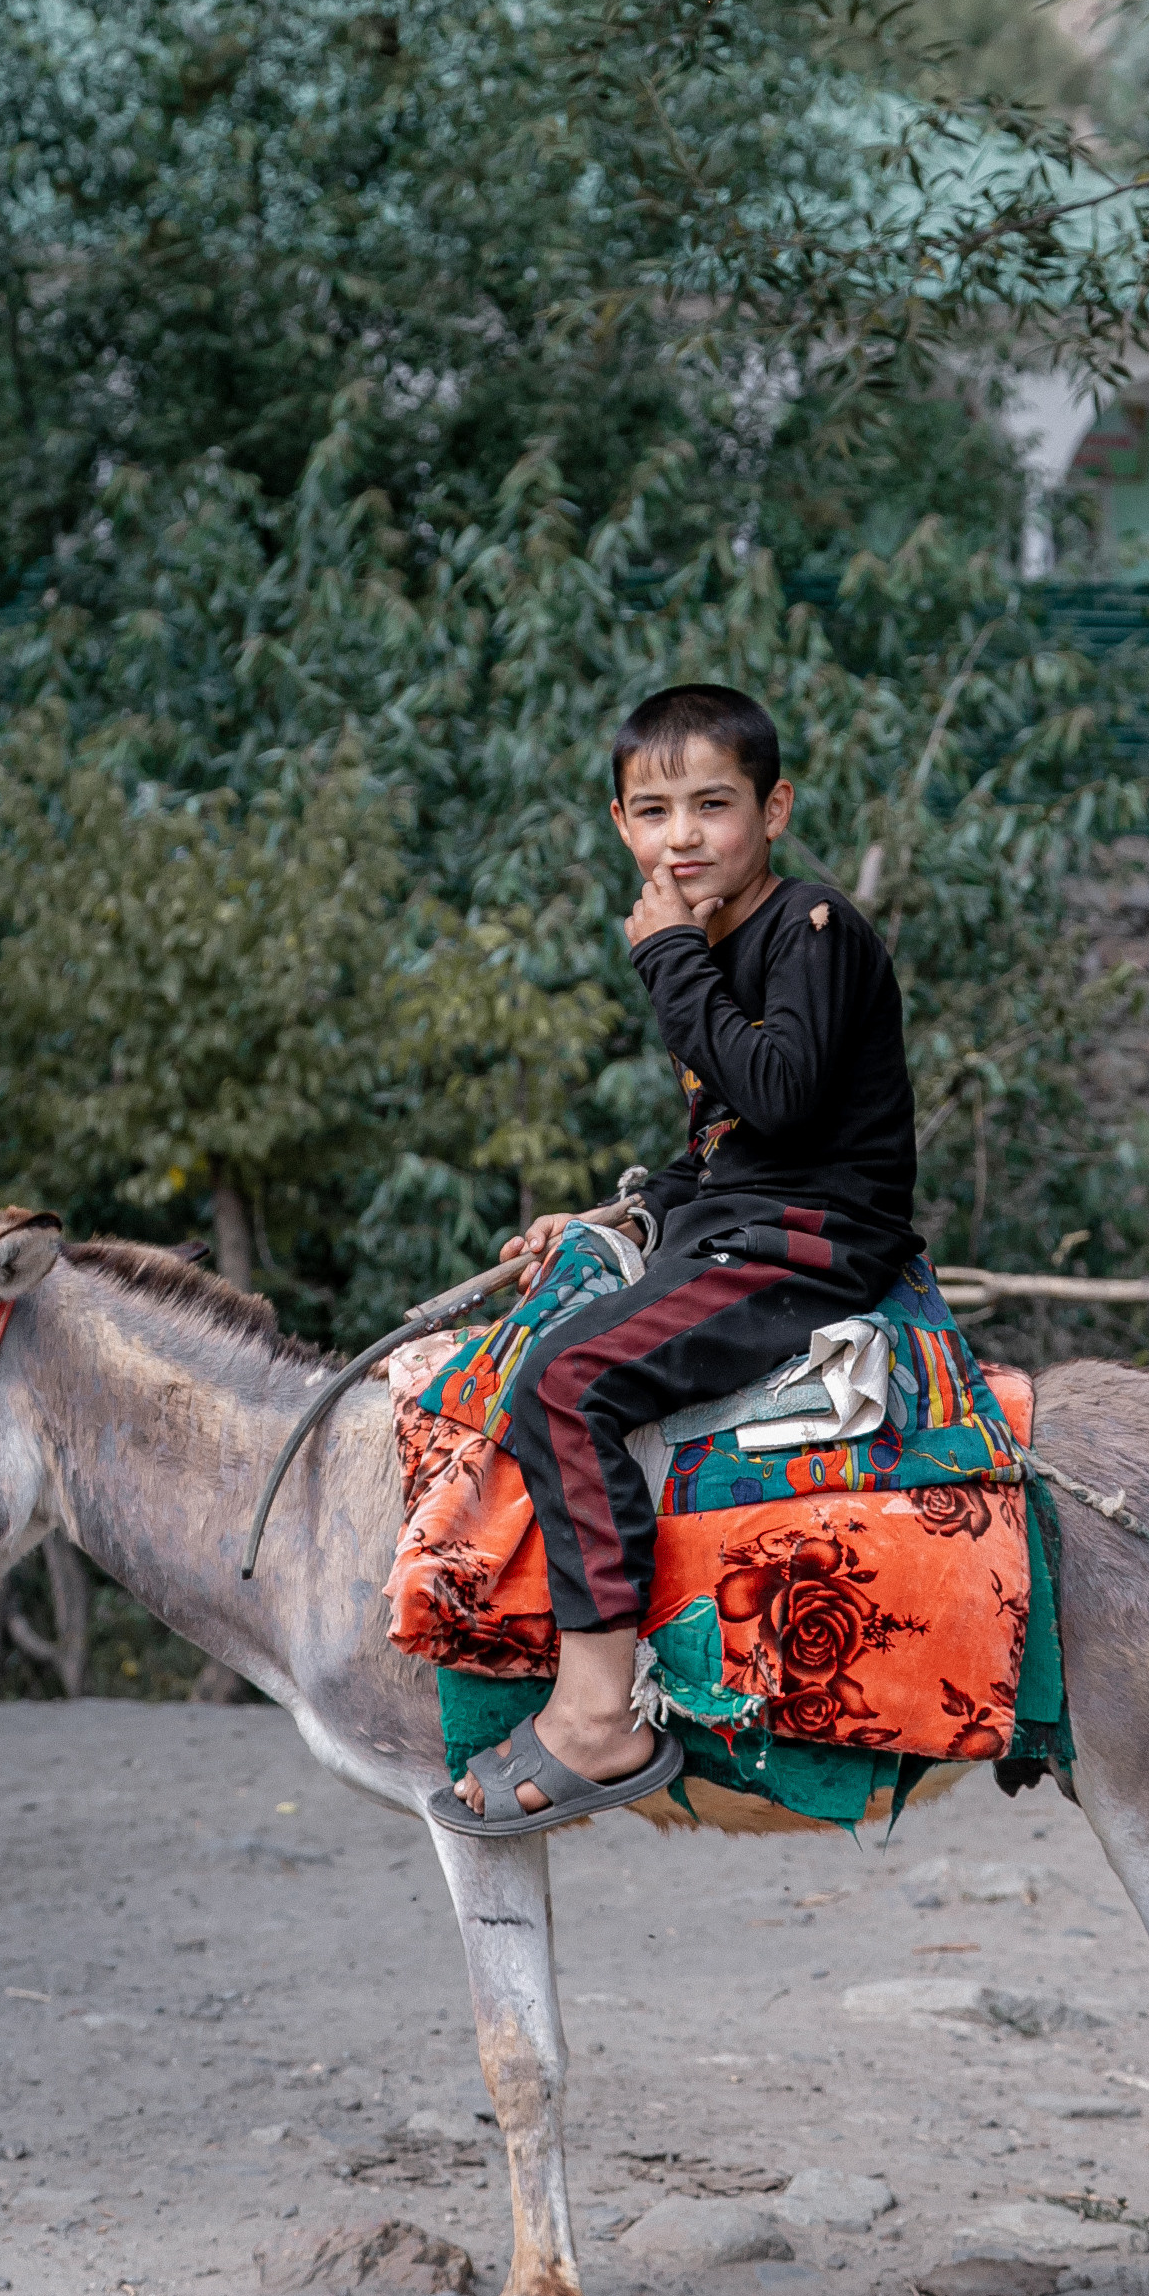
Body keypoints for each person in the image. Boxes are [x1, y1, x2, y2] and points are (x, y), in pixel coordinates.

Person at [435, 679, 918, 1837]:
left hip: (809, 1240)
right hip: (737, 1223)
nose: (683, 837)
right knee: (537, 1340)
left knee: (565, 1384)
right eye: (654, 814)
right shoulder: (715, 945)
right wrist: (627, 1216)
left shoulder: (809, 929)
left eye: (714, 805)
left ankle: (600, 1711)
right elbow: (722, 1142)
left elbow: (781, 1100)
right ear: (620, 825)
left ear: (776, 809)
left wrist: (665, 964)